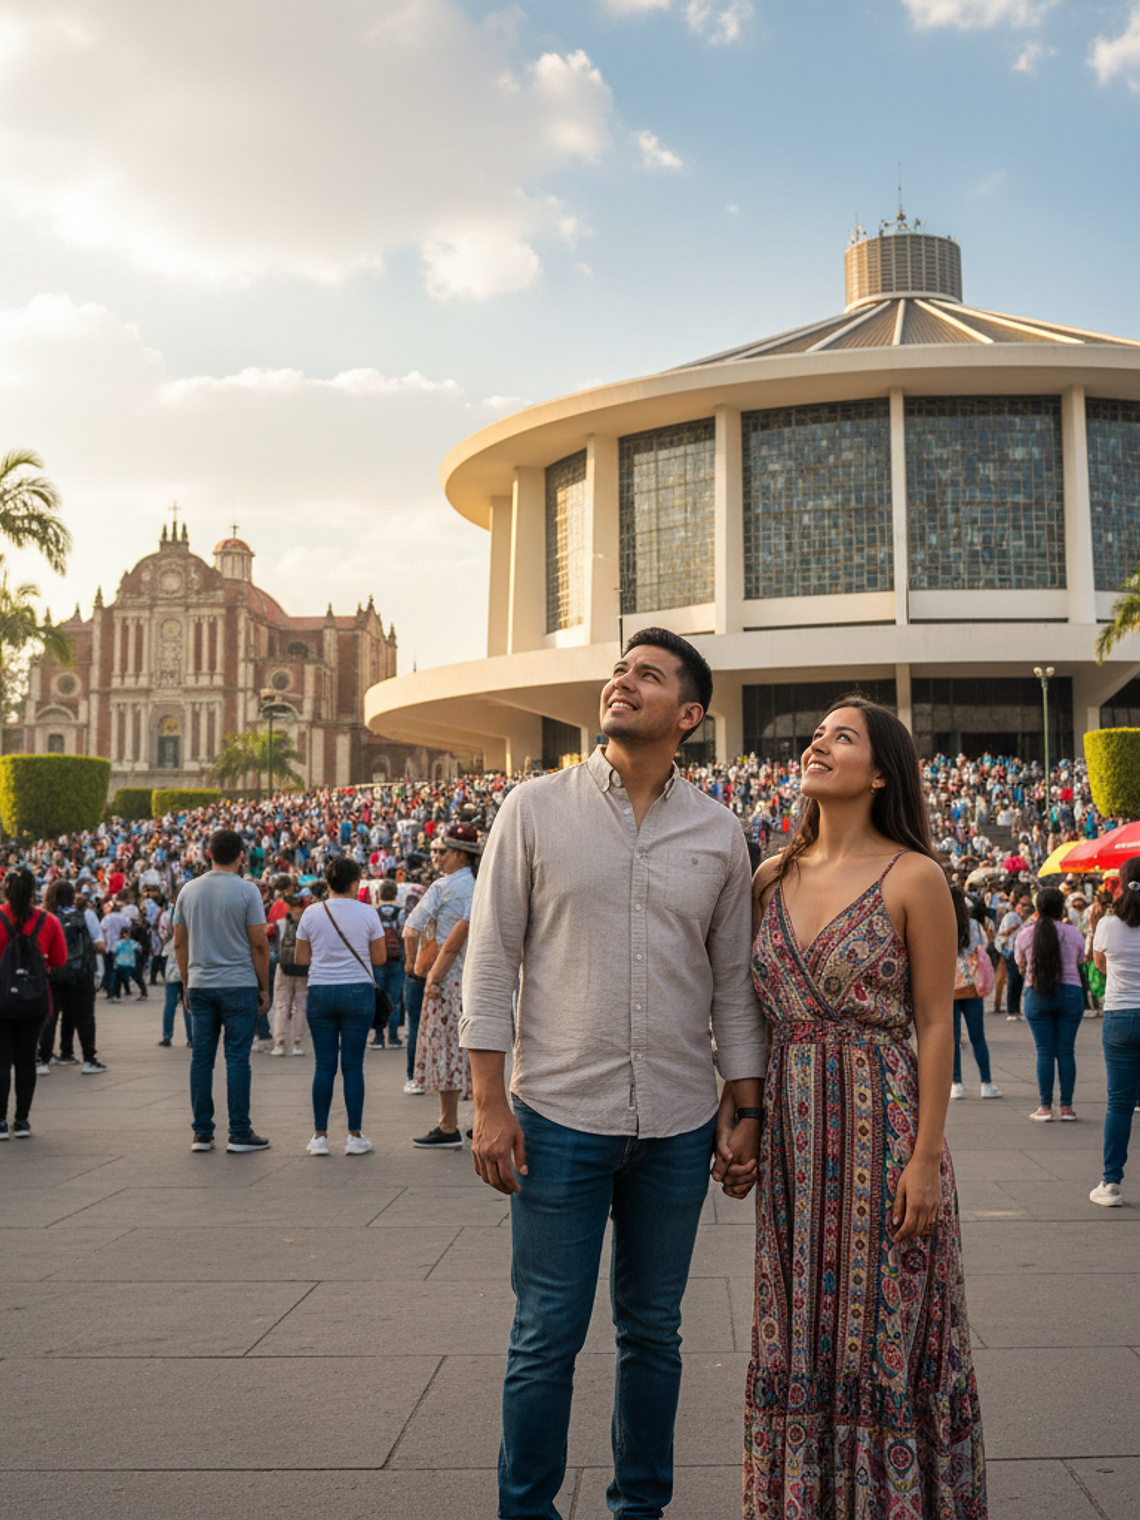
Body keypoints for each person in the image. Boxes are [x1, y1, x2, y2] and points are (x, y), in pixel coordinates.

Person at [462, 629, 767, 1520]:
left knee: (655, 1335)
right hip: (557, 1114)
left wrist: (746, 1108)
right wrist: (488, 1103)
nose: (623, 681)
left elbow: (733, 988)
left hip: (676, 1122)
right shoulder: (533, 808)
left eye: (649, 675)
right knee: (544, 1335)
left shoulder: (719, 832)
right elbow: (490, 960)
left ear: (690, 714)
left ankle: (640, 1508)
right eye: (620, 670)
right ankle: (527, 1511)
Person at [741, 697, 985, 1517]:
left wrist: (926, 1158)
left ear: (881, 773)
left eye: (841, 737)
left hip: (886, 1133)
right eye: (816, 734)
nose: (818, 743)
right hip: (793, 1142)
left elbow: (935, 1022)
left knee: (888, 1331)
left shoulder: (913, 875)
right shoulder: (770, 877)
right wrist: (742, 1117)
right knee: (796, 1328)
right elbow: (749, 1016)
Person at [173, 828, 271, 1153]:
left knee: (201, 1059)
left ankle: (202, 1133)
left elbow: (179, 942)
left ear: (208, 855)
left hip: (201, 983)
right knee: (237, 1059)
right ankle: (239, 1132)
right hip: (239, 983)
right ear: (241, 856)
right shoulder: (248, 891)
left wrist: (186, 982)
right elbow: (259, 943)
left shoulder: (188, 890)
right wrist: (264, 987)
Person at [294, 857, 385, 1155]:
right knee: (353, 1064)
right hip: (357, 991)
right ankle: (354, 1136)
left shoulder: (311, 913)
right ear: (355, 882)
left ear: (327, 882)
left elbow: (301, 958)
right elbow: (380, 958)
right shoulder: (368, 913)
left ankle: (319, 1136)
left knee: (324, 1064)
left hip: (321, 990)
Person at [407, 824, 479, 1149]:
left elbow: (412, 927)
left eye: (442, 852)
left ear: (461, 855)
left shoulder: (442, 887)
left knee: (445, 1050)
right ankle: (480, 1119)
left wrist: (416, 968)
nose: (436, 857)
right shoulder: (481, 884)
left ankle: (448, 1124)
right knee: (477, 1047)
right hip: (478, 976)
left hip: (446, 978)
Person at [0, 868, 67, 1138]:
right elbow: (60, 960)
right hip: (35, 1001)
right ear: (33, 892)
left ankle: (0, 1121)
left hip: (1, 999)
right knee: (26, 1060)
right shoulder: (48, 921)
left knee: (1, 1060)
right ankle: (22, 1120)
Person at [1090, 855, 1140, 1205]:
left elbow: (1100, 965)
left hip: (1120, 1015)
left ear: (1120, 882)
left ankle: (1111, 1183)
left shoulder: (1108, 923)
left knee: (1119, 1104)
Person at [1015, 886, 1086, 1121]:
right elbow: (1080, 959)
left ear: (1037, 908)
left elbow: (1020, 964)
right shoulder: (1073, 933)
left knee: (1044, 1052)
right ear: (1062, 908)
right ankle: (1067, 1107)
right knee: (1066, 1051)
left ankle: (1045, 1107)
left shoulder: (1026, 933)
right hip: (1071, 993)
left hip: (1037, 993)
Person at [47, 880, 107, 1074]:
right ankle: (88, 1059)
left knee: (50, 1016)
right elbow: (100, 945)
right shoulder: (86, 915)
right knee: (83, 1016)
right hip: (81, 974)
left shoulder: (47, 916)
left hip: (54, 973)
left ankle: (43, 1058)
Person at [949, 886, 1002, 1101]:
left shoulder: (940, 923)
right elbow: (981, 949)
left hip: (948, 987)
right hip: (972, 986)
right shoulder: (973, 925)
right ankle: (986, 1083)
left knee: (952, 1040)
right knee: (978, 1037)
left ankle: (956, 1084)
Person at [270, 895, 308, 1056]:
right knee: (300, 1003)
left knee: (281, 1003)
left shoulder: (280, 924)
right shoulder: (307, 924)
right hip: (303, 967)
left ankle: (279, 1043)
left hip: (284, 966)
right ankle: (297, 1043)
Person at [370, 880, 406, 1049]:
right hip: (396, 959)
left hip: (378, 960)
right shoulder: (401, 913)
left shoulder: (373, 913)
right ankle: (393, 1037)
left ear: (380, 895)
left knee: (378, 997)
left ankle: (378, 1037)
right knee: (395, 999)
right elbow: (405, 934)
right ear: (395, 894)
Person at [996, 893, 1032, 1021]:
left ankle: (1016, 1009)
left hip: (1020, 952)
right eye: (1023, 904)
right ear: (1017, 905)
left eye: (1028, 905)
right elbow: (1003, 934)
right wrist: (1014, 928)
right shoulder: (1011, 916)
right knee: (1014, 980)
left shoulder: (1024, 918)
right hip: (1010, 951)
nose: (1025, 908)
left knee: (1018, 981)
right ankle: (1012, 1010)